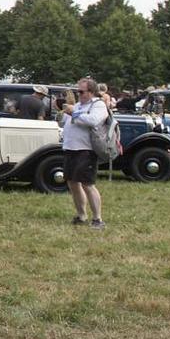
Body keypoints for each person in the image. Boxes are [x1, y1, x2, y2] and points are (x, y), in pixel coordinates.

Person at [60, 77, 109, 229]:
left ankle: (97, 219)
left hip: (86, 150)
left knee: (88, 184)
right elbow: (64, 122)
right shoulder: (78, 105)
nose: (79, 94)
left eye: (81, 91)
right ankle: (81, 215)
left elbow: (93, 121)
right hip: (71, 148)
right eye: (77, 91)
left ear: (92, 92)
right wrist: (63, 113)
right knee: (72, 183)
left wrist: (73, 112)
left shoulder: (98, 105)